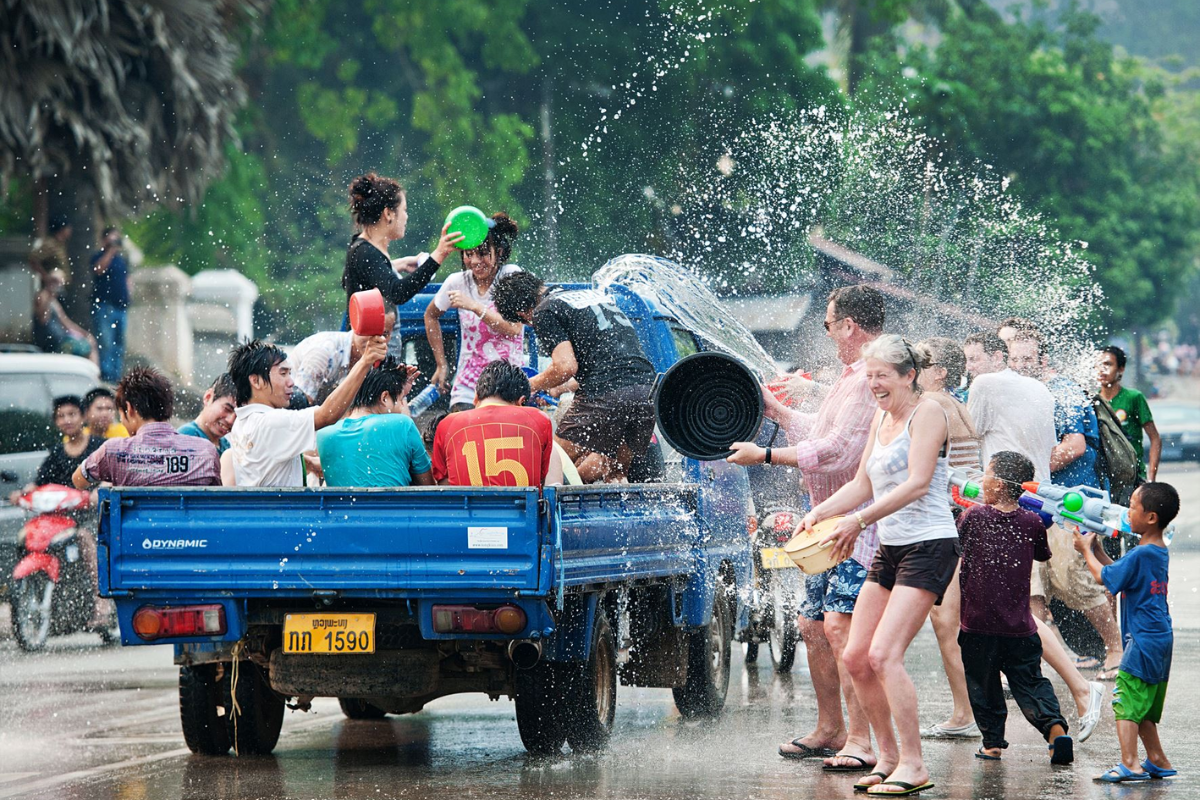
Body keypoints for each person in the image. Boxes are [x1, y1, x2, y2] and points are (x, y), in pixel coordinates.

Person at [726, 285, 884, 769]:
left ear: (850, 326)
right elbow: (820, 431)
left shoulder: (868, 378)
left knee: (842, 630)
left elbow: (838, 450)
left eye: (830, 323)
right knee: (812, 626)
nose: (830, 332)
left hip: (857, 527)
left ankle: (861, 740)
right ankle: (830, 728)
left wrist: (767, 455)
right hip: (825, 523)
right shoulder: (849, 376)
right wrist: (778, 412)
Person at [796, 335, 957, 796]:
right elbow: (863, 483)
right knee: (855, 656)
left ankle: (914, 762)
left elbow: (919, 482)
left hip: (929, 544)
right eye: (869, 377)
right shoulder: (881, 418)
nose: (874, 385)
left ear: (909, 375)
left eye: (882, 376)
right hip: (891, 548)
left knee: (884, 655)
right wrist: (822, 512)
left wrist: (858, 520)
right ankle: (886, 757)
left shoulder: (928, 413)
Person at [964, 329, 1105, 737]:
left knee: (1023, 609)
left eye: (973, 359)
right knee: (1026, 605)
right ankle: (1036, 692)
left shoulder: (986, 385)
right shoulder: (1039, 390)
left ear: (994, 357)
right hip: (1032, 507)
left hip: (1003, 509)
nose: (969, 367)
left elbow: (967, 437)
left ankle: (1079, 690)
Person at [1008, 331, 1124, 680]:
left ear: (1042, 360)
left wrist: (1026, 476)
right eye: (1014, 359)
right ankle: (1027, 664)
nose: (1019, 366)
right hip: (1034, 504)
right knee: (1033, 588)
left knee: (1076, 583)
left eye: (1026, 359)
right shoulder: (1017, 393)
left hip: (1070, 506)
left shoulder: (1062, 391)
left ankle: (1115, 648)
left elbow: (1073, 446)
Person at [957, 451, 1073, 765]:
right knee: (1030, 681)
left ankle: (992, 744)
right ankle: (1056, 731)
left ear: (997, 483)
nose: (982, 479)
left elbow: (957, 545)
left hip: (977, 623)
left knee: (983, 683)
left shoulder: (974, 517)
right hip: (1020, 625)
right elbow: (1042, 555)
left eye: (986, 473)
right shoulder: (1032, 521)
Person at [493, 272, 655, 483]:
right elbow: (610, 363)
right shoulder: (588, 297)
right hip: (647, 393)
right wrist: (557, 388)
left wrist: (526, 385)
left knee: (547, 464)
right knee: (614, 473)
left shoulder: (545, 310)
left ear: (523, 313)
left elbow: (565, 366)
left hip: (607, 394)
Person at [1073, 483, 1178, 783]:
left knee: (1125, 702)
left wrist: (1084, 550)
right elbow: (1120, 576)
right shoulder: (1155, 551)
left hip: (1143, 639)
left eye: (1132, 506)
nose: (1125, 511)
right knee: (1142, 704)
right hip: (1159, 637)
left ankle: (1130, 764)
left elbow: (1103, 578)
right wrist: (1099, 551)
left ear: (1151, 518)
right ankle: (1157, 759)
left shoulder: (1140, 555)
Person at [915, 336, 981, 740]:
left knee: (945, 620)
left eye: (922, 362)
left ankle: (965, 712)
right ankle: (968, 709)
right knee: (955, 620)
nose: (914, 367)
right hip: (966, 522)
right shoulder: (957, 403)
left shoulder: (933, 405)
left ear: (939, 372)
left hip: (952, 523)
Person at [224, 335, 388, 488]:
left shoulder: (243, 421)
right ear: (256, 381)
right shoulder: (270, 422)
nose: (291, 382)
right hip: (283, 517)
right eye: (283, 374)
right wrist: (365, 362)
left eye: (290, 373)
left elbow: (269, 460)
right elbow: (327, 415)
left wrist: (307, 463)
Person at [425, 213, 525, 412]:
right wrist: (441, 364)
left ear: (500, 252)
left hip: (508, 387)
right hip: (468, 388)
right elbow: (430, 316)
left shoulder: (510, 276)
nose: (475, 261)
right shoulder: (457, 282)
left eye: (483, 253)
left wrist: (474, 306)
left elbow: (514, 328)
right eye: (469, 254)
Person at [341, 172, 463, 326]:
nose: (406, 216)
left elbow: (353, 277)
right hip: (369, 348)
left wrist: (400, 264)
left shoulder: (362, 248)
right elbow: (398, 292)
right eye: (404, 210)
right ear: (388, 214)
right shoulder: (365, 251)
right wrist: (439, 254)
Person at [72, 367, 220, 488]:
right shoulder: (206, 451)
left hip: (132, 524)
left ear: (129, 409)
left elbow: (78, 481)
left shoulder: (113, 451)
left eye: (120, 415)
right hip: (190, 524)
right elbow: (215, 497)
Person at [431, 361, 562, 488]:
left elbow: (443, 485)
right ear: (521, 401)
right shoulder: (538, 419)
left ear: (476, 397)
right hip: (524, 510)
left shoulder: (447, 424)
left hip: (466, 510)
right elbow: (542, 476)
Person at [317, 358, 434, 488]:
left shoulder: (324, 434)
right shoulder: (403, 425)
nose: (402, 406)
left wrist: (398, 389)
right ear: (384, 398)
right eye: (402, 399)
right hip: (393, 507)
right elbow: (428, 487)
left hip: (342, 508)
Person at [288, 313, 406, 406]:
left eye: (384, 334)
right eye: (370, 331)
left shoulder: (377, 361)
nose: (376, 339)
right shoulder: (324, 352)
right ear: (355, 324)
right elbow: (299, 407)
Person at [7, 396, 104, 505]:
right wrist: (22, 493)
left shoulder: (100, 446)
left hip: (96, 513)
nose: (67, 420)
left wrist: (100, 491)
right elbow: (39, 483)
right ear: (56, 422)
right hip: (64, 514)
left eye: (72, 414)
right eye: (61, 416)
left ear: (83, 417)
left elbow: (115, 475)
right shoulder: (56, 452)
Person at [1097, 346, 1161, 482]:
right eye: (1098, 364)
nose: (1102, 369)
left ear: (1121, 369)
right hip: (1104, 479)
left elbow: (1155, 438)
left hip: (1133, 477)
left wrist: (1151, 478)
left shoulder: (1133, 398)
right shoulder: (1093, 401)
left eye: (1108, 364)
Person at [90, 226, 131, 382]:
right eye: (111, 238)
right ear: (104, 239)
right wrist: (110, 251)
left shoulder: (122, 259)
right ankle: (106, 376)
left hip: (121, 307)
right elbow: (98, 270)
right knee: (105, 343)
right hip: (104, 306)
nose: (115, 241)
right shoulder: (98, 256)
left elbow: (127, 278)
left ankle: (116, 376)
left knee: (118, 344)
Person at [33, 269, 97, 364]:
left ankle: (94, 375)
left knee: (90, 343)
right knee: (87, 348)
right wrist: (50, 294)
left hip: (62, 339)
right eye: (54, 280)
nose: (57, 284)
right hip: (52, 342)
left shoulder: (54, 302)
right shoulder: (42, 297)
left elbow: (66, 322)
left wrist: (85, 334)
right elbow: (43, 319)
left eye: (59, 282)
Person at [177, 373, 237, 455]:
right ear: (208, 397)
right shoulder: (187, 437)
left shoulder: (225, 445)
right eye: (227, 409)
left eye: (238, 416)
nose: (231, 420)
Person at [29, 214, 72, 284]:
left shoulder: (60, 245)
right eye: (68, 228)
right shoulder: (50, 244)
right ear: (62, 229)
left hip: (60, 287)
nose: (70, 230)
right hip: (51, 287)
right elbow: (33, 259)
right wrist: (45, 276)